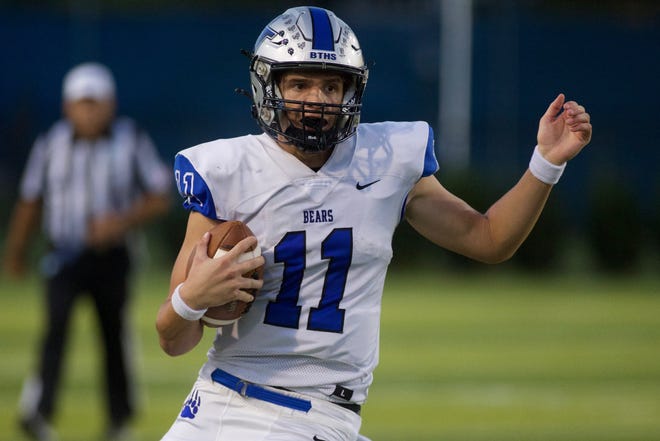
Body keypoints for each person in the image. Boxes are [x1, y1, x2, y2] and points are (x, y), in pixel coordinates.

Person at [156, 6, 592, 441]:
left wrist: (546, 163)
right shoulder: (230, 172)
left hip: (323, 418)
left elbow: (490, 238)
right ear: (267, 84)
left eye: (331, 85)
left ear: (352, 90)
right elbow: (172, 339)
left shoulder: (386, 159)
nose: (316, 99)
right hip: (243, 413)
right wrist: (192, 298)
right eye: (300, 83)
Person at [3, 62, 172, 441]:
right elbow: (31, 201)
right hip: (63, 255)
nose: (89, 111)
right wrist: (16, 252)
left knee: (113, 335)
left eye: (96, 103)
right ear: (68, 106)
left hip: (112, 257)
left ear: (110, 104)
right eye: (83, 103)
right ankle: (39, 412)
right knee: (55, 331)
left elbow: (159, 196)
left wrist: (121, 222)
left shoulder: (130, 139)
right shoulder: (51, 144)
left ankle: (119, 418)